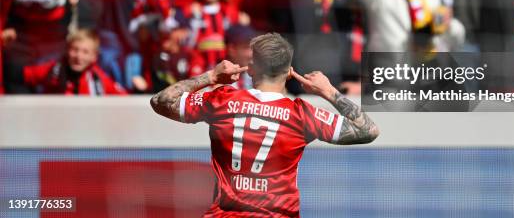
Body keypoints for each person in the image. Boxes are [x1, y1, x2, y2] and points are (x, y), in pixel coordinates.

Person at [150, 32, 379, 216]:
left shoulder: (222, 100)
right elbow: (368, 130)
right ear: (289, 73)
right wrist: (328, 91)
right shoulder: (301, 115)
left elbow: (161, 100)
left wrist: (210, 77)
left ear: (251, 68)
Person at [21, 29, 127, 95]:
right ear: (67, 50)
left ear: (94, 57)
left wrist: (139, 92)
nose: (78, 56)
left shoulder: (98, 79)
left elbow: (124, 99)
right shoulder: (53, 70)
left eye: (85, 52)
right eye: (74, 50)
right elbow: (22, 76)